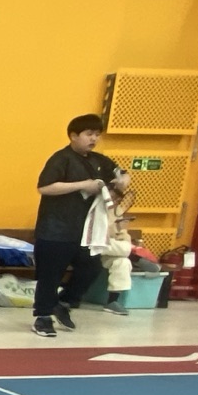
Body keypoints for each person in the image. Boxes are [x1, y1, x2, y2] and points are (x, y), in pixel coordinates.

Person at [31, 113, 128, 338]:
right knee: (50, 276)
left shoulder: (99, 161)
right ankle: (43, 317)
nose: (94, 139)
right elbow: (44, 187)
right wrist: (82, 185)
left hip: (85, 231)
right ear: (74, 136)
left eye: (97, 135)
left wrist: (124, 178)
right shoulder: (61, 159)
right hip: (55, 229)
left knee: (92, 268)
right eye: (89, 134)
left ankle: (64, 302)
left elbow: (120, 172)